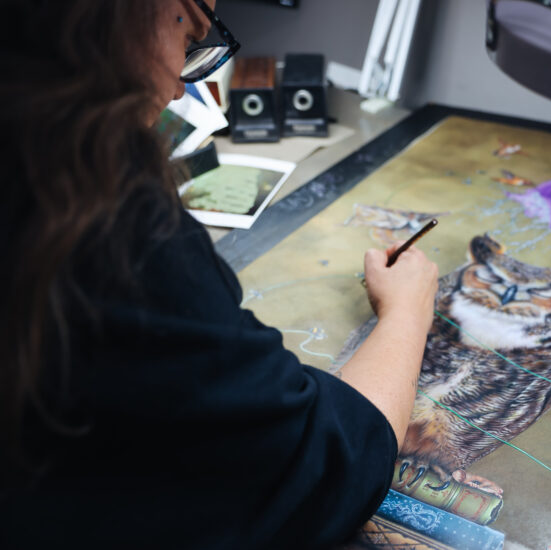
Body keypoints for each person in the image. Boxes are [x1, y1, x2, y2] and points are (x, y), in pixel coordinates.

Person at [0, 1, 438, 548]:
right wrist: (407, 312)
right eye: (190, 41)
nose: (178, 92)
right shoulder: (102, 226)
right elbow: (328, 467)